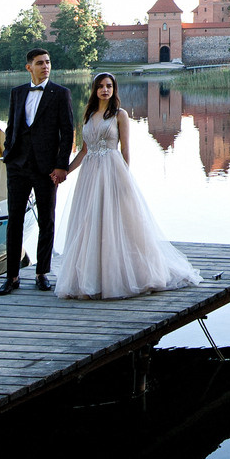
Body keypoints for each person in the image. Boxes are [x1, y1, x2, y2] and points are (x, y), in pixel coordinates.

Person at [55, 72, 197, 299]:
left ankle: (123, 276)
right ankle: (92, 278)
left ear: (114, 89)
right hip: (90, 175)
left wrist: (124, 179)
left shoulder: (120, 115)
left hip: (112, 171)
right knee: (89, 222)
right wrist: (65, 172)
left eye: (109, 86)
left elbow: (125, 151)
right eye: (101, 86)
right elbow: (84, 150)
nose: (105, 90)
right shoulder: (89, 114)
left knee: (115, 223)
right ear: (95, 90)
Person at [0, 47, 73, 294]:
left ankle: (42, 272)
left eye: (48, 62)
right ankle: (12, 276)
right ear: (29, 67)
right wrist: (7, 153)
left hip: (46, 168)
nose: (46, 66)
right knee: (14, 221)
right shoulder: (17, 93)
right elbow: (12, 126)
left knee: (47, 220)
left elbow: (68, 132)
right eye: (40, 63)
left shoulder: (60, 94)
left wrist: (61, 165)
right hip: (17, 166)